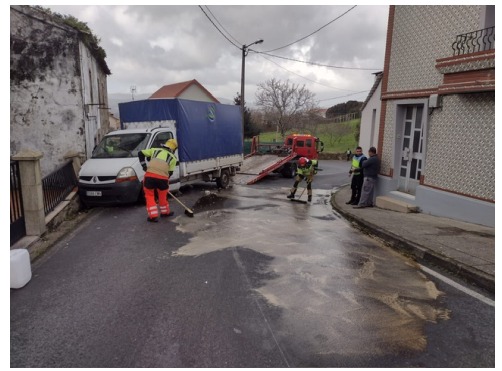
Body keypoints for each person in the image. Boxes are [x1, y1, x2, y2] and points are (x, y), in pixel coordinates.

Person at [138, 139, 178, 222]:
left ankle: (153, 216)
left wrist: (144, 166)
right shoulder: (173, 158)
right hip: (163, 179)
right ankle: (165, 212)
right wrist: (163, 180)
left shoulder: (155, 150)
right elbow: (170, 173)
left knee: (150, 196)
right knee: (162, 196)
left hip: (150, 177)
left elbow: (140, 153)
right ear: (173, 149)